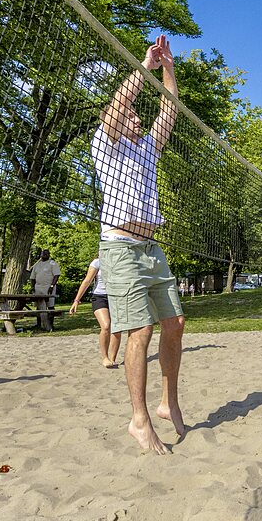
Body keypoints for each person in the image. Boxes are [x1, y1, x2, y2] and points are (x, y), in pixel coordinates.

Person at [91, 35, 186, 454]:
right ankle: (139, 419)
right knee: (139, 329)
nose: (133, 116)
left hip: (151, 247)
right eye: (129, 113)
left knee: (175, 324)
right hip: (120, 245)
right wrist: (144, 65)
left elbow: (169, 108)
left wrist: (168, 66)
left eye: (134, 114)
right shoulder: (104, 148)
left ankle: (167, 404)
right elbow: (115, 107)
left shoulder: (147, 149)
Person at [70, 257, 122, 369]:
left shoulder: (120, 260)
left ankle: (112, 359)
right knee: (106, 326)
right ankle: (105, 357)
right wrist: (76, 301)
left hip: (116, 297)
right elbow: (87, 281)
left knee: (117, 329)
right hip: (99, 297)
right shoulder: (97, 262)